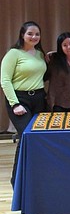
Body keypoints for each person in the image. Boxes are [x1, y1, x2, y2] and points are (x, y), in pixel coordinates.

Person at [0, 21, 47, 187]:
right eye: (30, 34)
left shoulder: (40, 54)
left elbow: (42, 75)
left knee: (39, 138)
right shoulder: (13, 54)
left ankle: (37, 177)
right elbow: (5, 81)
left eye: (37, 34)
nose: (34, 37)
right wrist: (14, 104)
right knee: (26, 138)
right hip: (21, 100)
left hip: (39, 99)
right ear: (22, 35)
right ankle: (17, 181)